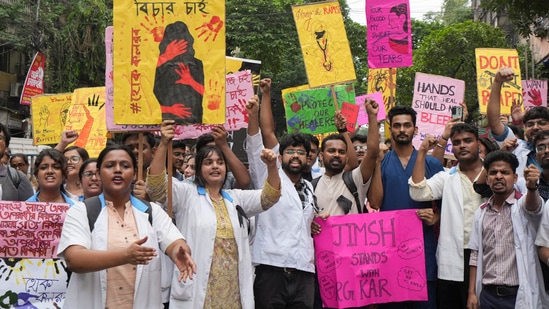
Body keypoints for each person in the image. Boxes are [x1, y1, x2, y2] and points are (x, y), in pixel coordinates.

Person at [147, 120, 282, 308]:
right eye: (208, 163)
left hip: (232, 291)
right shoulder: (187, 194)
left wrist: (272, 167)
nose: (215, 166)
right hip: (198, 290)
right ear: (199, 169)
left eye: (220, 162)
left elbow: (270, 197)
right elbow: (157, 188)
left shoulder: (235, 198)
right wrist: (163, 144)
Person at [57, 144, 196, 309]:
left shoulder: (152, 211)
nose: (117, 170)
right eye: (110, 166)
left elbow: (174, 242)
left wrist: (180, 252)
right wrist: (125, 256)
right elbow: (74, 260)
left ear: (134, 173)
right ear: (100, 174)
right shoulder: (81, 211)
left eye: (125, 166)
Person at [246, 78, 317, 308]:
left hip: (303, 270)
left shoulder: (309, 188)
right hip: (271, 268)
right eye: (290, 151)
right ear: (280, 156)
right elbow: (259, 138)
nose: (295, 156)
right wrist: (255, 111)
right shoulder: (268, 175)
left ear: (309, 158)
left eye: (301, 152)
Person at [369, 105, 444, 309]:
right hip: (389, 252)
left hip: (423, 250)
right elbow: (375, 203)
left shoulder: (432, 164)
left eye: (407, 125)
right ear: (390, 129)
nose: (402, 130)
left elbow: (449, 205)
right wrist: (376, 162)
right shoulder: (382, 163)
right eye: (397, 126)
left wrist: (436, 218)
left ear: (415, 129)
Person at [409, 123, 485, 309]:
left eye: (468, 141)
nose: (462, 146)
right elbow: (418, 192)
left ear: (478, 143)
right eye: (457, 142)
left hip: (486, 254)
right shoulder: (447, 177)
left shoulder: (494, 173)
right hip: (454, 256)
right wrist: (422, 152)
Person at [467, 151, 549, 309]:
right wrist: (472, 293)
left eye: (505, 172)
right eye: (493, 173)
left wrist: (532, 188)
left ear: (515, 178)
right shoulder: (481, 212)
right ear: (487, 179)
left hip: (517, 295)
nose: (498, 176)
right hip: (487, 296)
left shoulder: (522, 204)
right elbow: (475, 254)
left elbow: (534, 207)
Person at [486, 67, 549, 176]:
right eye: (530, 124)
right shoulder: (515, 146)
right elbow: (494, 121)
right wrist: (497, 82)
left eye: (542, 123)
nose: (535, 127)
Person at [153, 21, 204, 123]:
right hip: (166, 123)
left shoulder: (196, 64)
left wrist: (190, 81)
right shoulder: (159, 66)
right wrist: (170, 109)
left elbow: (208, 94)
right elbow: (146, 99)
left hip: (195, 123)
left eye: (183, 42)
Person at [122, 132, 157, 201]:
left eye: (142, 147)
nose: (135, 151)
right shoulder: (117, 182)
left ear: (153, 152)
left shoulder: (166, 184)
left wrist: (149, 201)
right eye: (130, 148)